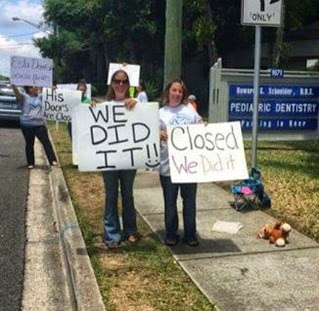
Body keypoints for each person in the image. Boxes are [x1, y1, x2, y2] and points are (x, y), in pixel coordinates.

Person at [159, 79, 203, 247]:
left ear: (183, 94)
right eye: (173, 90)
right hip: (168, 165)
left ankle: (190, 234)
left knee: (189, 201)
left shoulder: (190, 109)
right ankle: (171, 233)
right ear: (168, 92)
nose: (176, 93)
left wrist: (203, 126)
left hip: (189, 166)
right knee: (170, 202)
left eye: (179, 91)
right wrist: (158, 133)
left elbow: (199, 124)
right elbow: (150, 133)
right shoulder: (160, 113)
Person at [98, 69, 139, 249]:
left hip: (129, 158)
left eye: (124, 81)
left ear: (128, 85)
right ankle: (112, 234)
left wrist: (135, 103)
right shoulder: (103, 107)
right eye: (117, 81)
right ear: (112, 83)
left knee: (128, 194)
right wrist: (90, 107)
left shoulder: (135, 105)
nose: (120, 84)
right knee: (111, 195)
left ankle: (130, 230)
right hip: (109, 159)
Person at [11, 84, 58, 169]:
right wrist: (13, 86)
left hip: (39, 124)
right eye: (32, 87)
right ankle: (30, 163)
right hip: (27, 125)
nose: (35, 88)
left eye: (35, 86)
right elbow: (17, 93)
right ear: (28, 89)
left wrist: (53, 88)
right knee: (29, 143)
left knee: (46, 142)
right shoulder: (25, 96)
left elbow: (50, 93)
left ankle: (53, 160)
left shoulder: (40, 96)